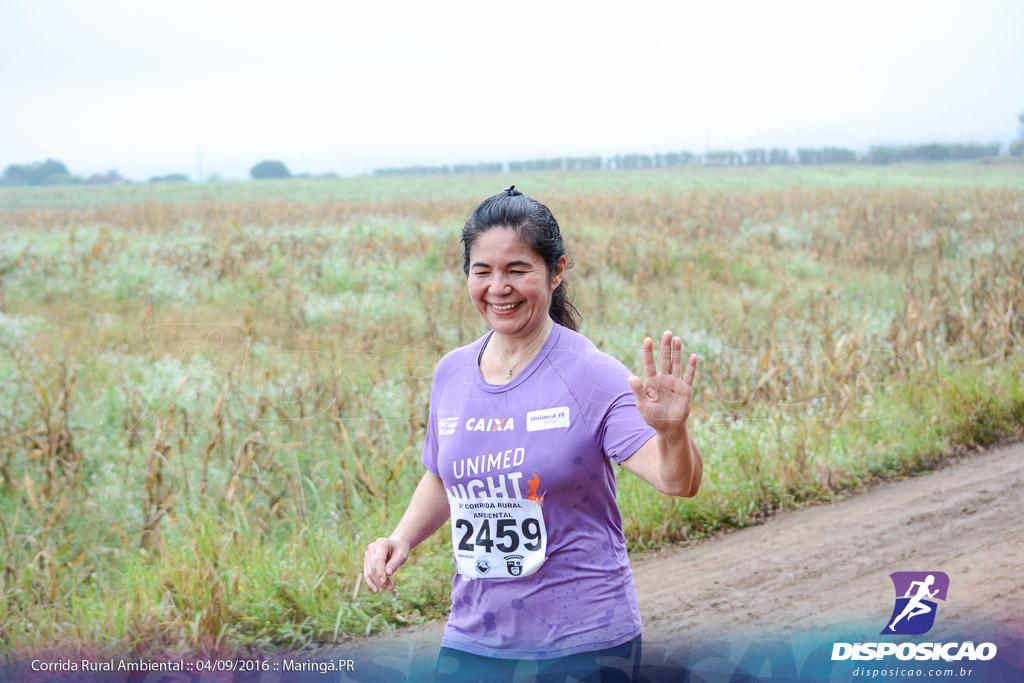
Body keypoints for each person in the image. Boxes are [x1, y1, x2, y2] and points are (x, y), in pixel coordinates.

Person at [363, 187, 703, 681]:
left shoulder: (591, 373)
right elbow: (444, 475)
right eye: (483, 271)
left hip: (584, 641)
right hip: (474, 637)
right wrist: (402, 538)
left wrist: (673, 432)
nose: (498, 287)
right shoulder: (452, 373)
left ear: (556, 270)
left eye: (517, 270)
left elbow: (677, 482)